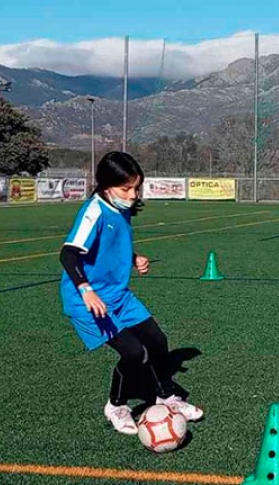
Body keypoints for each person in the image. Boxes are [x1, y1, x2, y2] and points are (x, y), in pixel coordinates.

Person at [59, 151, 203, 435]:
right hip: (88, 300)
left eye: (136, 188)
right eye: (126, 188)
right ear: (105, 184)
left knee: (158, 342)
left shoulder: (121, 208)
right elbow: (69, 254)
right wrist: (86, 291)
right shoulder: (94, 210)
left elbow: (108, 245)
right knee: (134, 353)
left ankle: (166, 397)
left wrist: (134, 257)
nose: (133, 194)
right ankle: (116, 405)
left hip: (118, 295)